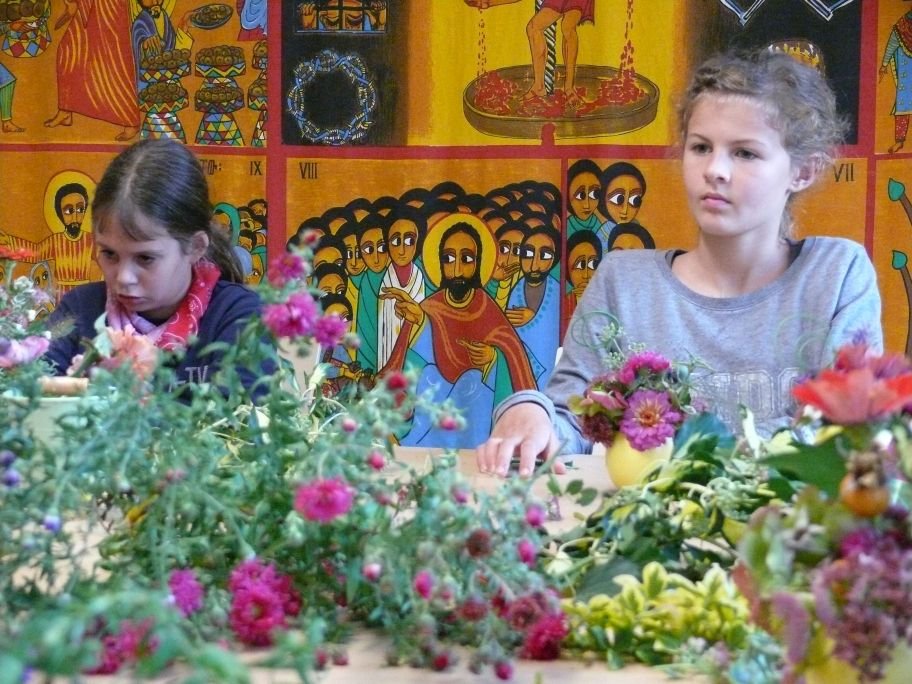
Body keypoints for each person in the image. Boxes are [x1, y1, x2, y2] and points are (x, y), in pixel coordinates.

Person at [477, 48, 884, 477]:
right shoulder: (624, 282)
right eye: (701, 147)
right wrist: (532, 413)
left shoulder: (836, 274)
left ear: (803, 171)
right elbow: (572, 414)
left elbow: (845, 428)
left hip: (789, 518)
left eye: (745, 153)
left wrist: (698, 460)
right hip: (644, 518)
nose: (716, 170)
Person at [43, 139, 270, 397]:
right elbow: (27, 395)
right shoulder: (79, 309)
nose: (123, 278)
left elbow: (240, 413)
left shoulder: (239, 315)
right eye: (109, 254)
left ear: (195, 247)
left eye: (145, 258)